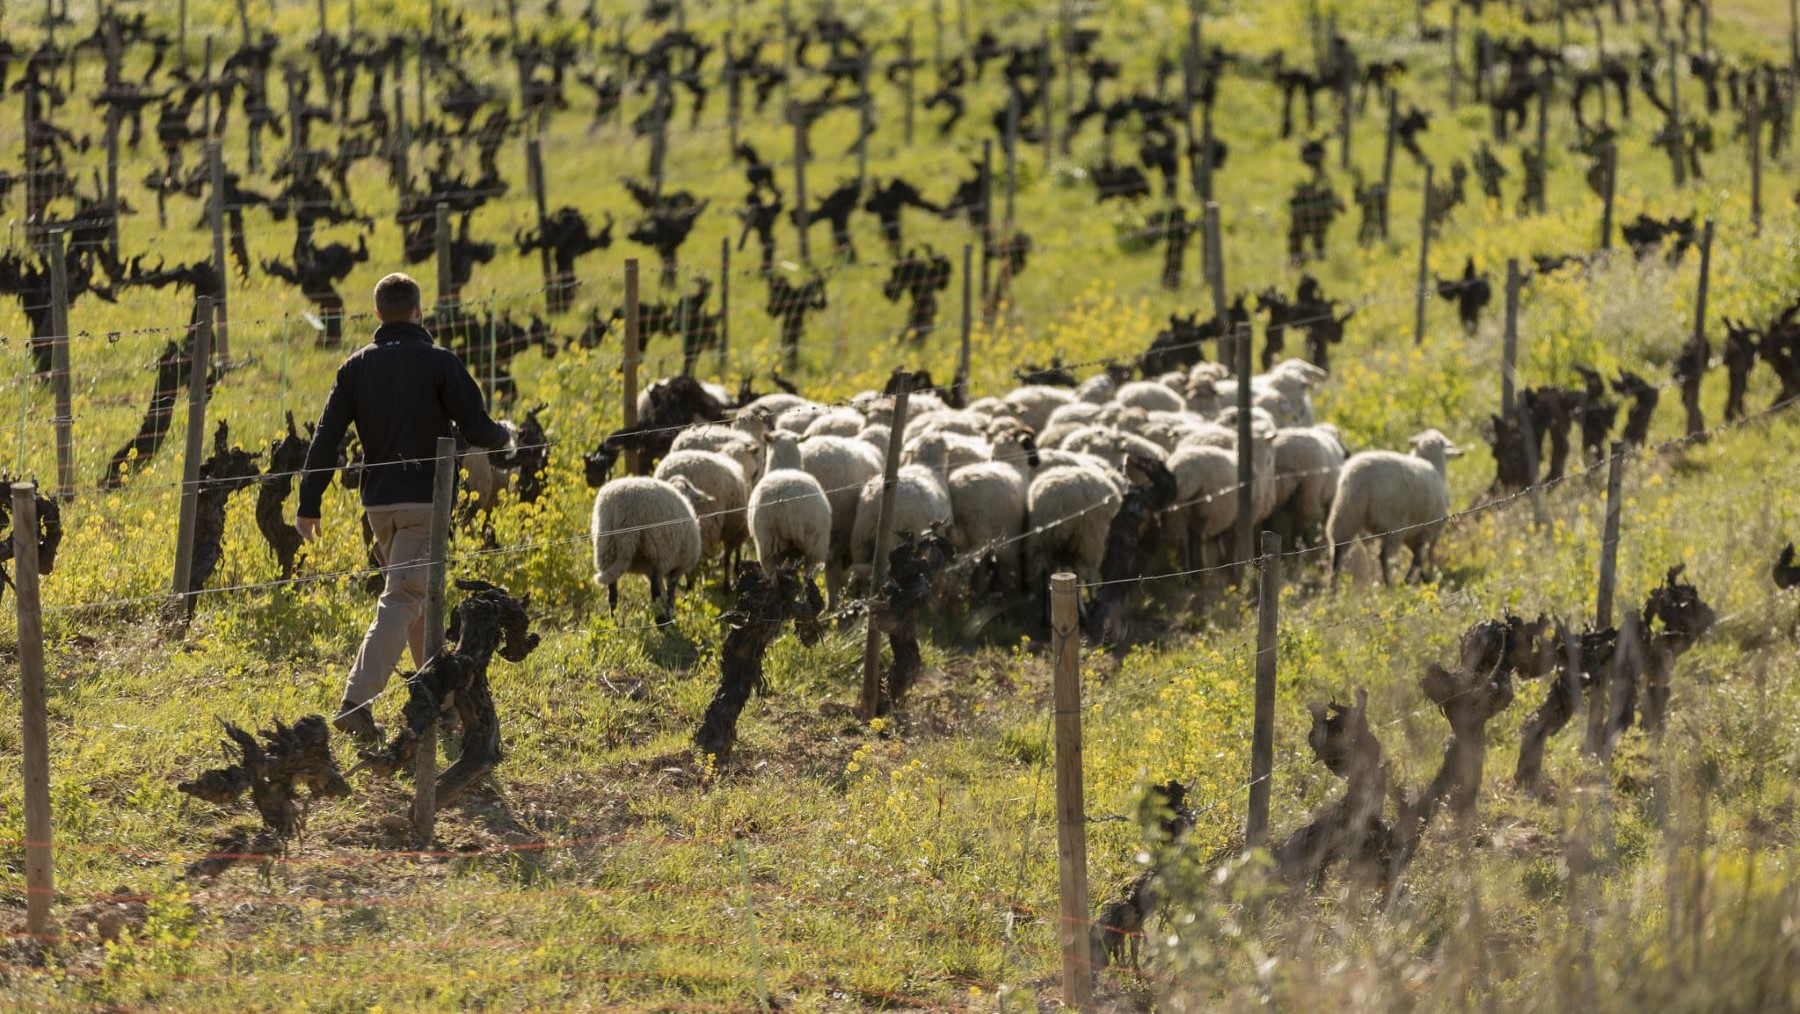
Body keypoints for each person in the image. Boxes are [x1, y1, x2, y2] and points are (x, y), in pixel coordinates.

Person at [295, 273, 511, 743]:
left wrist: (308, 503)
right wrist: (505, 438)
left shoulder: (354, 368)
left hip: (379, 506)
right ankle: (356, 702)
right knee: (406, 599)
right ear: (419, 311)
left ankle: (442, 705)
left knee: (418, 597)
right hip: (424, 500)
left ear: (376, 315)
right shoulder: (440, 363)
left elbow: (326, 437)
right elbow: (476, 426)